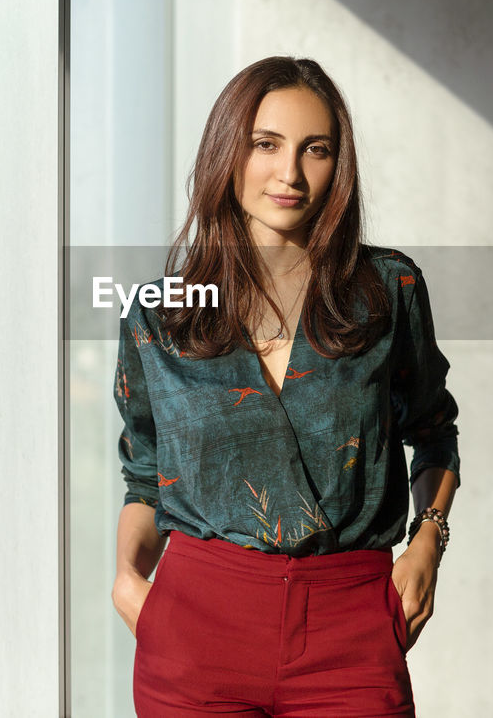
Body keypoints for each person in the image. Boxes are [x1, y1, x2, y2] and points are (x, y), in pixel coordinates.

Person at [111, 56, 460, 716]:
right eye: (265, 144)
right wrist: (128, 578)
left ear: (339, 165)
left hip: (349, 621)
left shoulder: (388, 291)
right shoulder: (158, 315)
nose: (291, 173)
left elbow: (434, 432)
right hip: (195, 628)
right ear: (227, 152)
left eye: (316, 150)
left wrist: (427, 541)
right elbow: (146, 476)